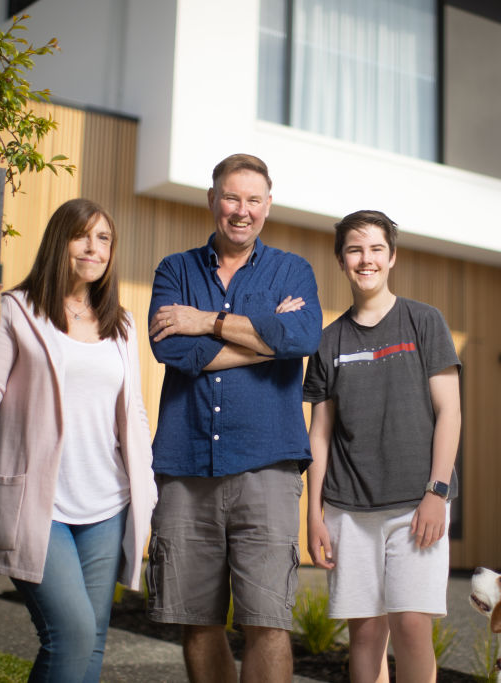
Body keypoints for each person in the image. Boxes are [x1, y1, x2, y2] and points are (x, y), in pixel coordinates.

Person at [146, 153, 322, 683]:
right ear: (212, 200)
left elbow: (303, 337)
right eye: (231, 197)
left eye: (252, 200)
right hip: (186, 464)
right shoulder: (175, 269)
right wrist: (267, 341)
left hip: (267, 465)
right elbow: (173, 353)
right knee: (196, 621)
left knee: (268, 621)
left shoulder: (293, 271)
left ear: (267, 207)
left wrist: (205, 321)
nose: (240, 211)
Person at [0, 198, 157, 682]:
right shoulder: (16, 310)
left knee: (93, 640)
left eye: (104, 238)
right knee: (72, 634)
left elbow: (134, 410)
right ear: (58, 242)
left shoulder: (120, 323)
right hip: (40, 504)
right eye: (82, 235)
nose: (93, 247)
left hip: (107, 502)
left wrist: (146, 485)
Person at [303, 209, 462, 683]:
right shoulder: (329, 341)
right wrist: (313, 514)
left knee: (412, 625)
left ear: (392, 257)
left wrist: (437, 492)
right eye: (354, 249)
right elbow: (320, 434)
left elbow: (450, 412)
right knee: (366, 634)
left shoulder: (424, 322)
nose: (365, 259)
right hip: (348, 510)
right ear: (341, 260)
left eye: (376, 249)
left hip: (416, 506)